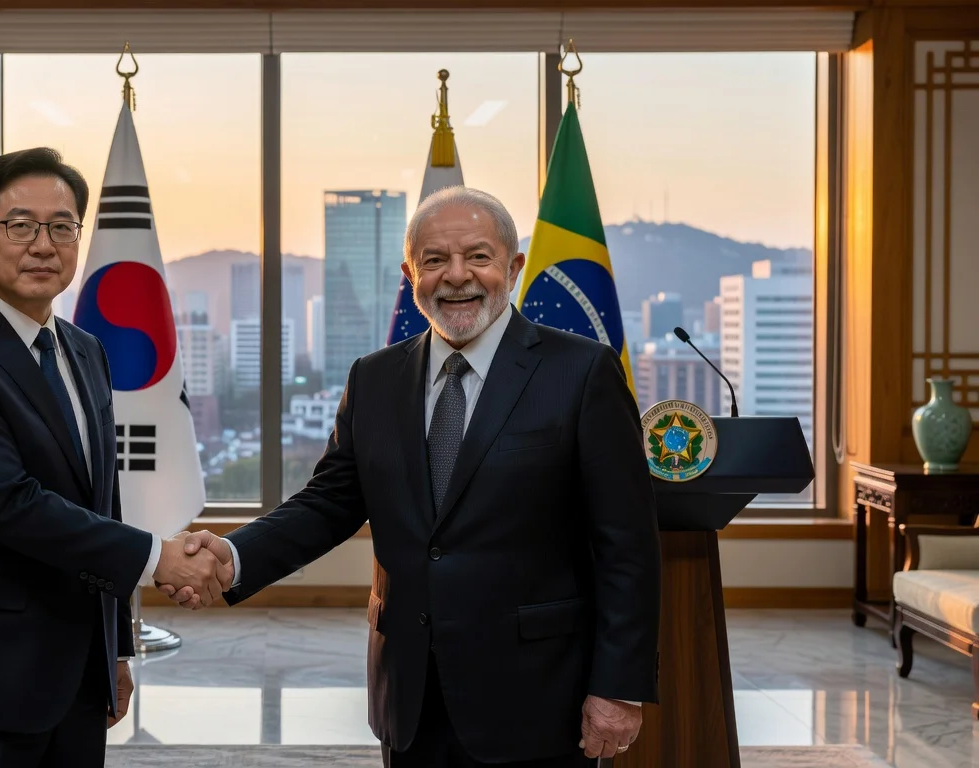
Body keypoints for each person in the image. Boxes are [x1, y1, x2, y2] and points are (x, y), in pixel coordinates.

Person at [164, 187, 660, 767]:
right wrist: (231, 555)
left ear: (513, 266)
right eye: (434, 260)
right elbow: (329, 503)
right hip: (409, 693)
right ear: (410, 273)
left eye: (478, 256)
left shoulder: (581, 372)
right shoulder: (375, 379)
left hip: (537, 694)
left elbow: (627, 544)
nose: (456, 277)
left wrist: (618, 687)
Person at [0, 147, 229, 768]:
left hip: (76, 672)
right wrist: (158, 558)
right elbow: (8, 504)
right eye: (19, 225)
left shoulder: (85, 349)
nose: (43, 244)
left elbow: (103, 499)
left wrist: (115, 647)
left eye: (62, 227)